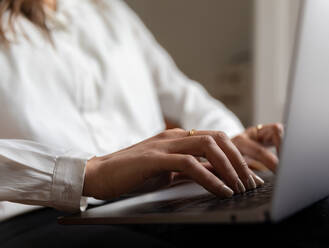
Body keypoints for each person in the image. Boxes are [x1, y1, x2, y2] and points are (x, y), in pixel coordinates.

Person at [0, 0, 283, 246]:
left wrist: (227, 142)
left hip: (154, 198)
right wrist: (88, 173)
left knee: (309, 214)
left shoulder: (110, 12)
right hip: (36, 215)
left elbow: (182, 94)